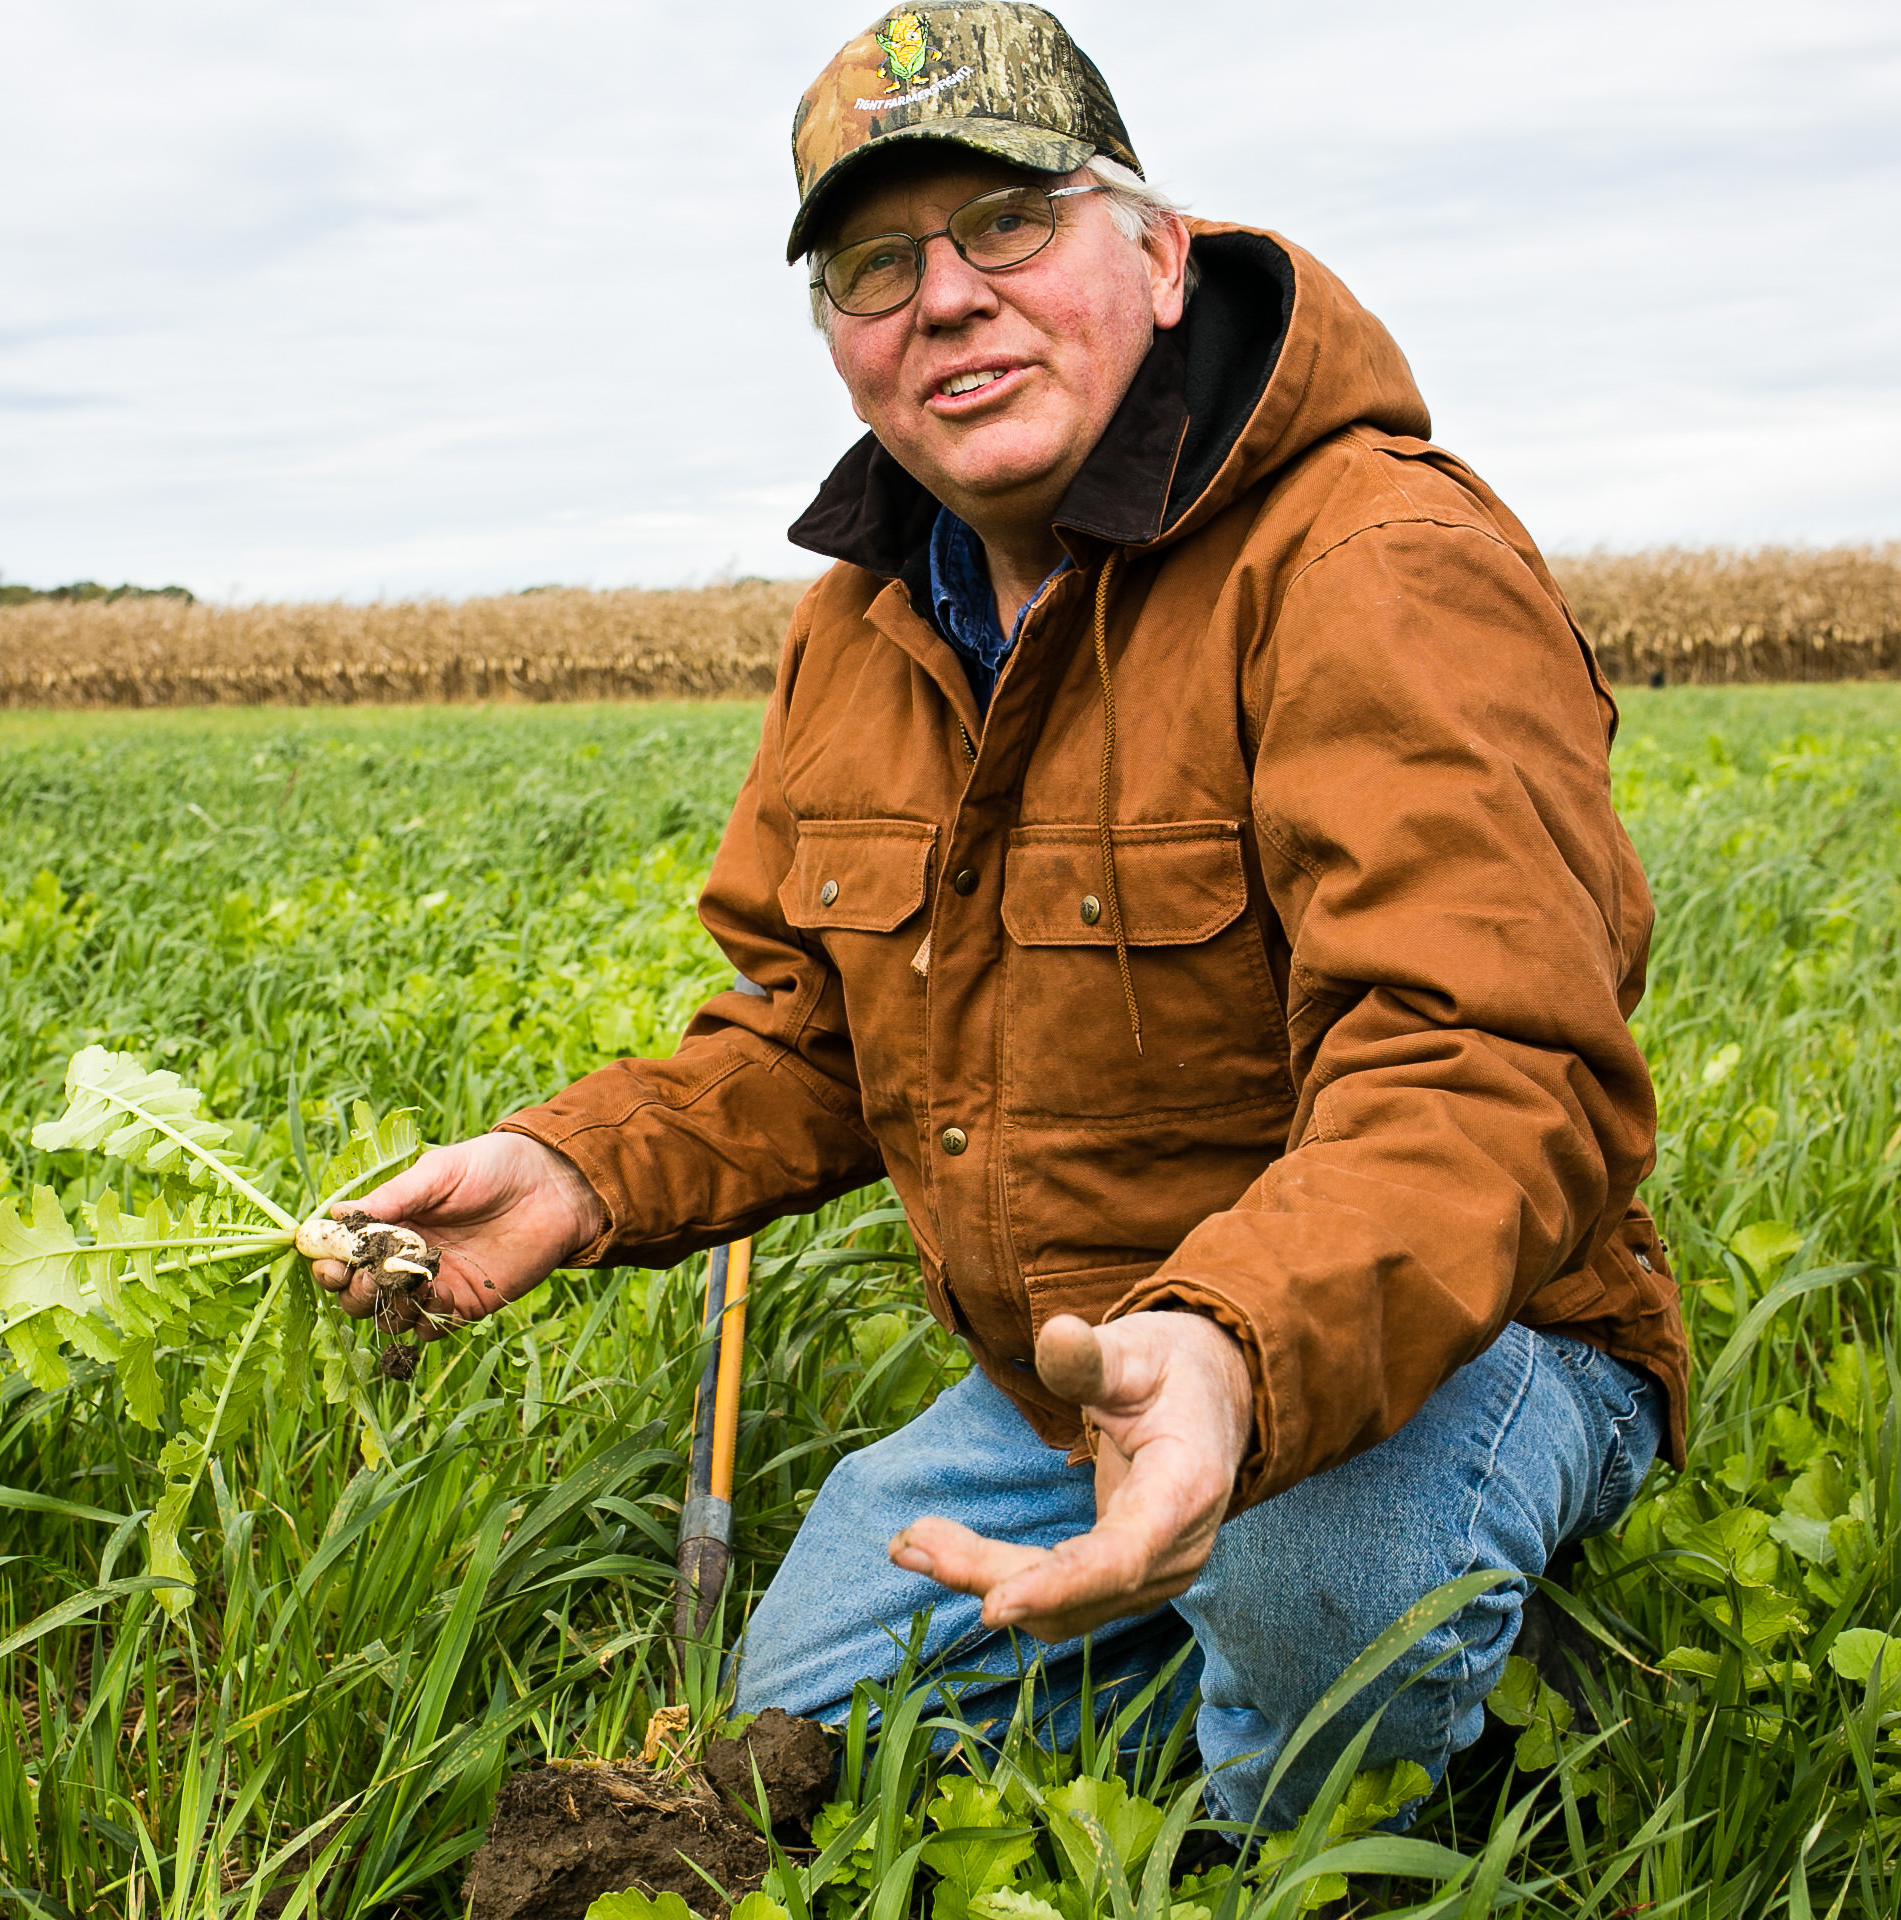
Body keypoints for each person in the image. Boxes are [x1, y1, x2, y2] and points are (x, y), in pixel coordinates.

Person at [317, 1, 1686, 1828]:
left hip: (1461, 1335)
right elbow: (812, 1038)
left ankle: (1400, 1707)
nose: (945, 297)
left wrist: (1233, 1356)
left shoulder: (1373, 563)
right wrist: (577, 1173)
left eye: (1011, 223)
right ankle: (1254, 1651)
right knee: (810, 1722)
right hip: (1076, 1376)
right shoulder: (861, 630)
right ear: (840, 346)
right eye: (875, 266)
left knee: (1307, 1590)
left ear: (1161, 252)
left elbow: (1487, 1067)